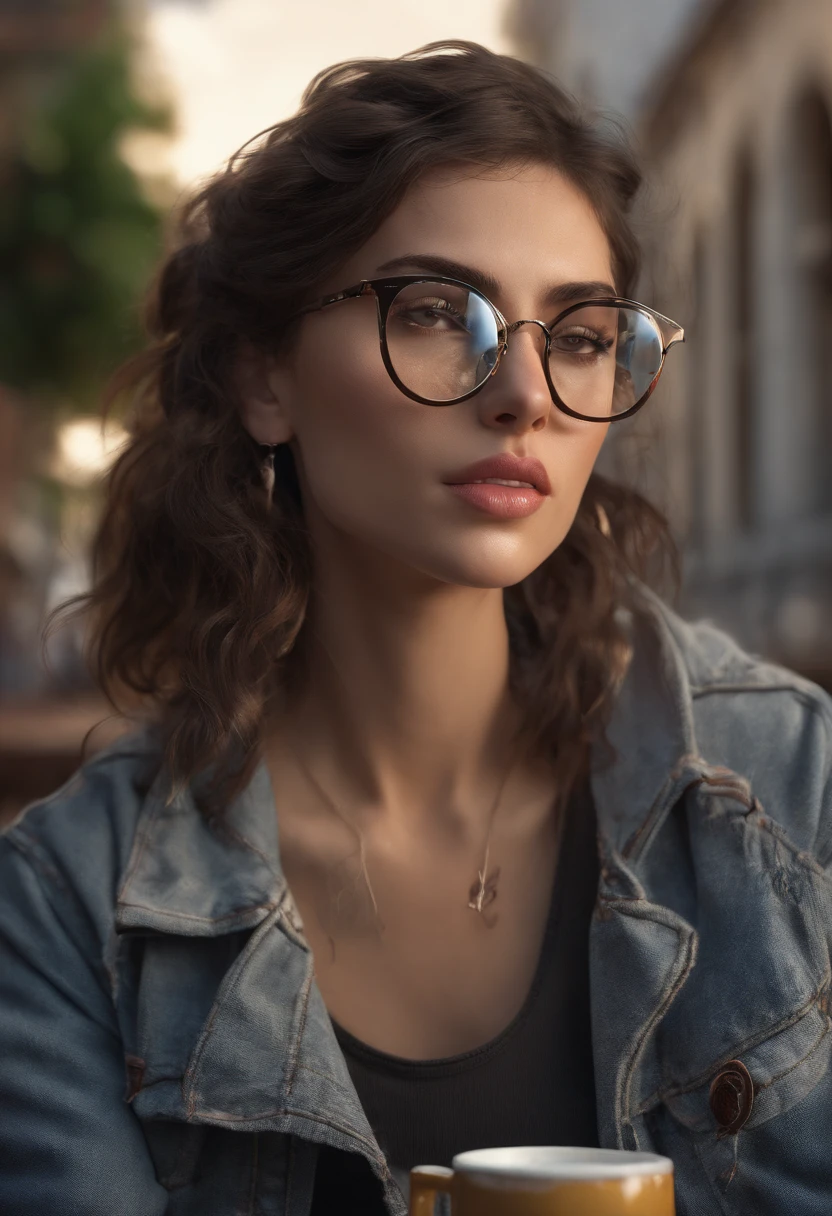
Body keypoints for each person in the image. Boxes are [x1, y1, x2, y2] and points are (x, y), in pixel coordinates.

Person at [1, 40, 830, 1216]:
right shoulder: (69, 914)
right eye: (442, 313)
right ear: (262, 378)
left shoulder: (795, 793)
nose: (525, 394)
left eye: (583, 334)